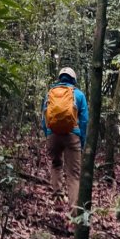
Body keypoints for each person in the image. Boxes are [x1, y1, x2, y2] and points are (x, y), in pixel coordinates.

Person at [42, 67, 89, 217]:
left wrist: (48, 134)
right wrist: (81, 139)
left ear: (60, 78)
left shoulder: (50, 94)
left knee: (56, 164)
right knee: (74, 174)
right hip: (72, 135)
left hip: (53, 134)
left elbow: (44, 116)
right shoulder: (79, 94)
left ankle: (57, 196)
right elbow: (84, 120)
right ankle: (74, 212)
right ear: (73, 79)